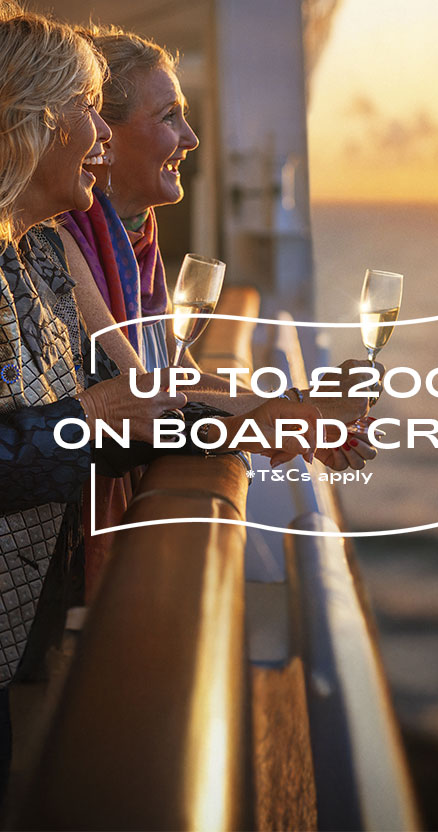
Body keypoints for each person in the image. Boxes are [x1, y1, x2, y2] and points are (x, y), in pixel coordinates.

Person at [0, 8, 319, 797]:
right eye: (88, 108)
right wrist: (95, 414)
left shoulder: (32, 257)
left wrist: (258, 420)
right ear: (33, 122)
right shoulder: (50, 249)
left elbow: (128, 408)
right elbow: (107, 408)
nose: (101, 138)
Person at [58, 24, 380, 591]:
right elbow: (148, 394)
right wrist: (297, 414)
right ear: (102, 136)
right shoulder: (60, 239)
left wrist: (300, 406)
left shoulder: (135, 238)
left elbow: (174, 376)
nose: (191, 138)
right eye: (168, 118)